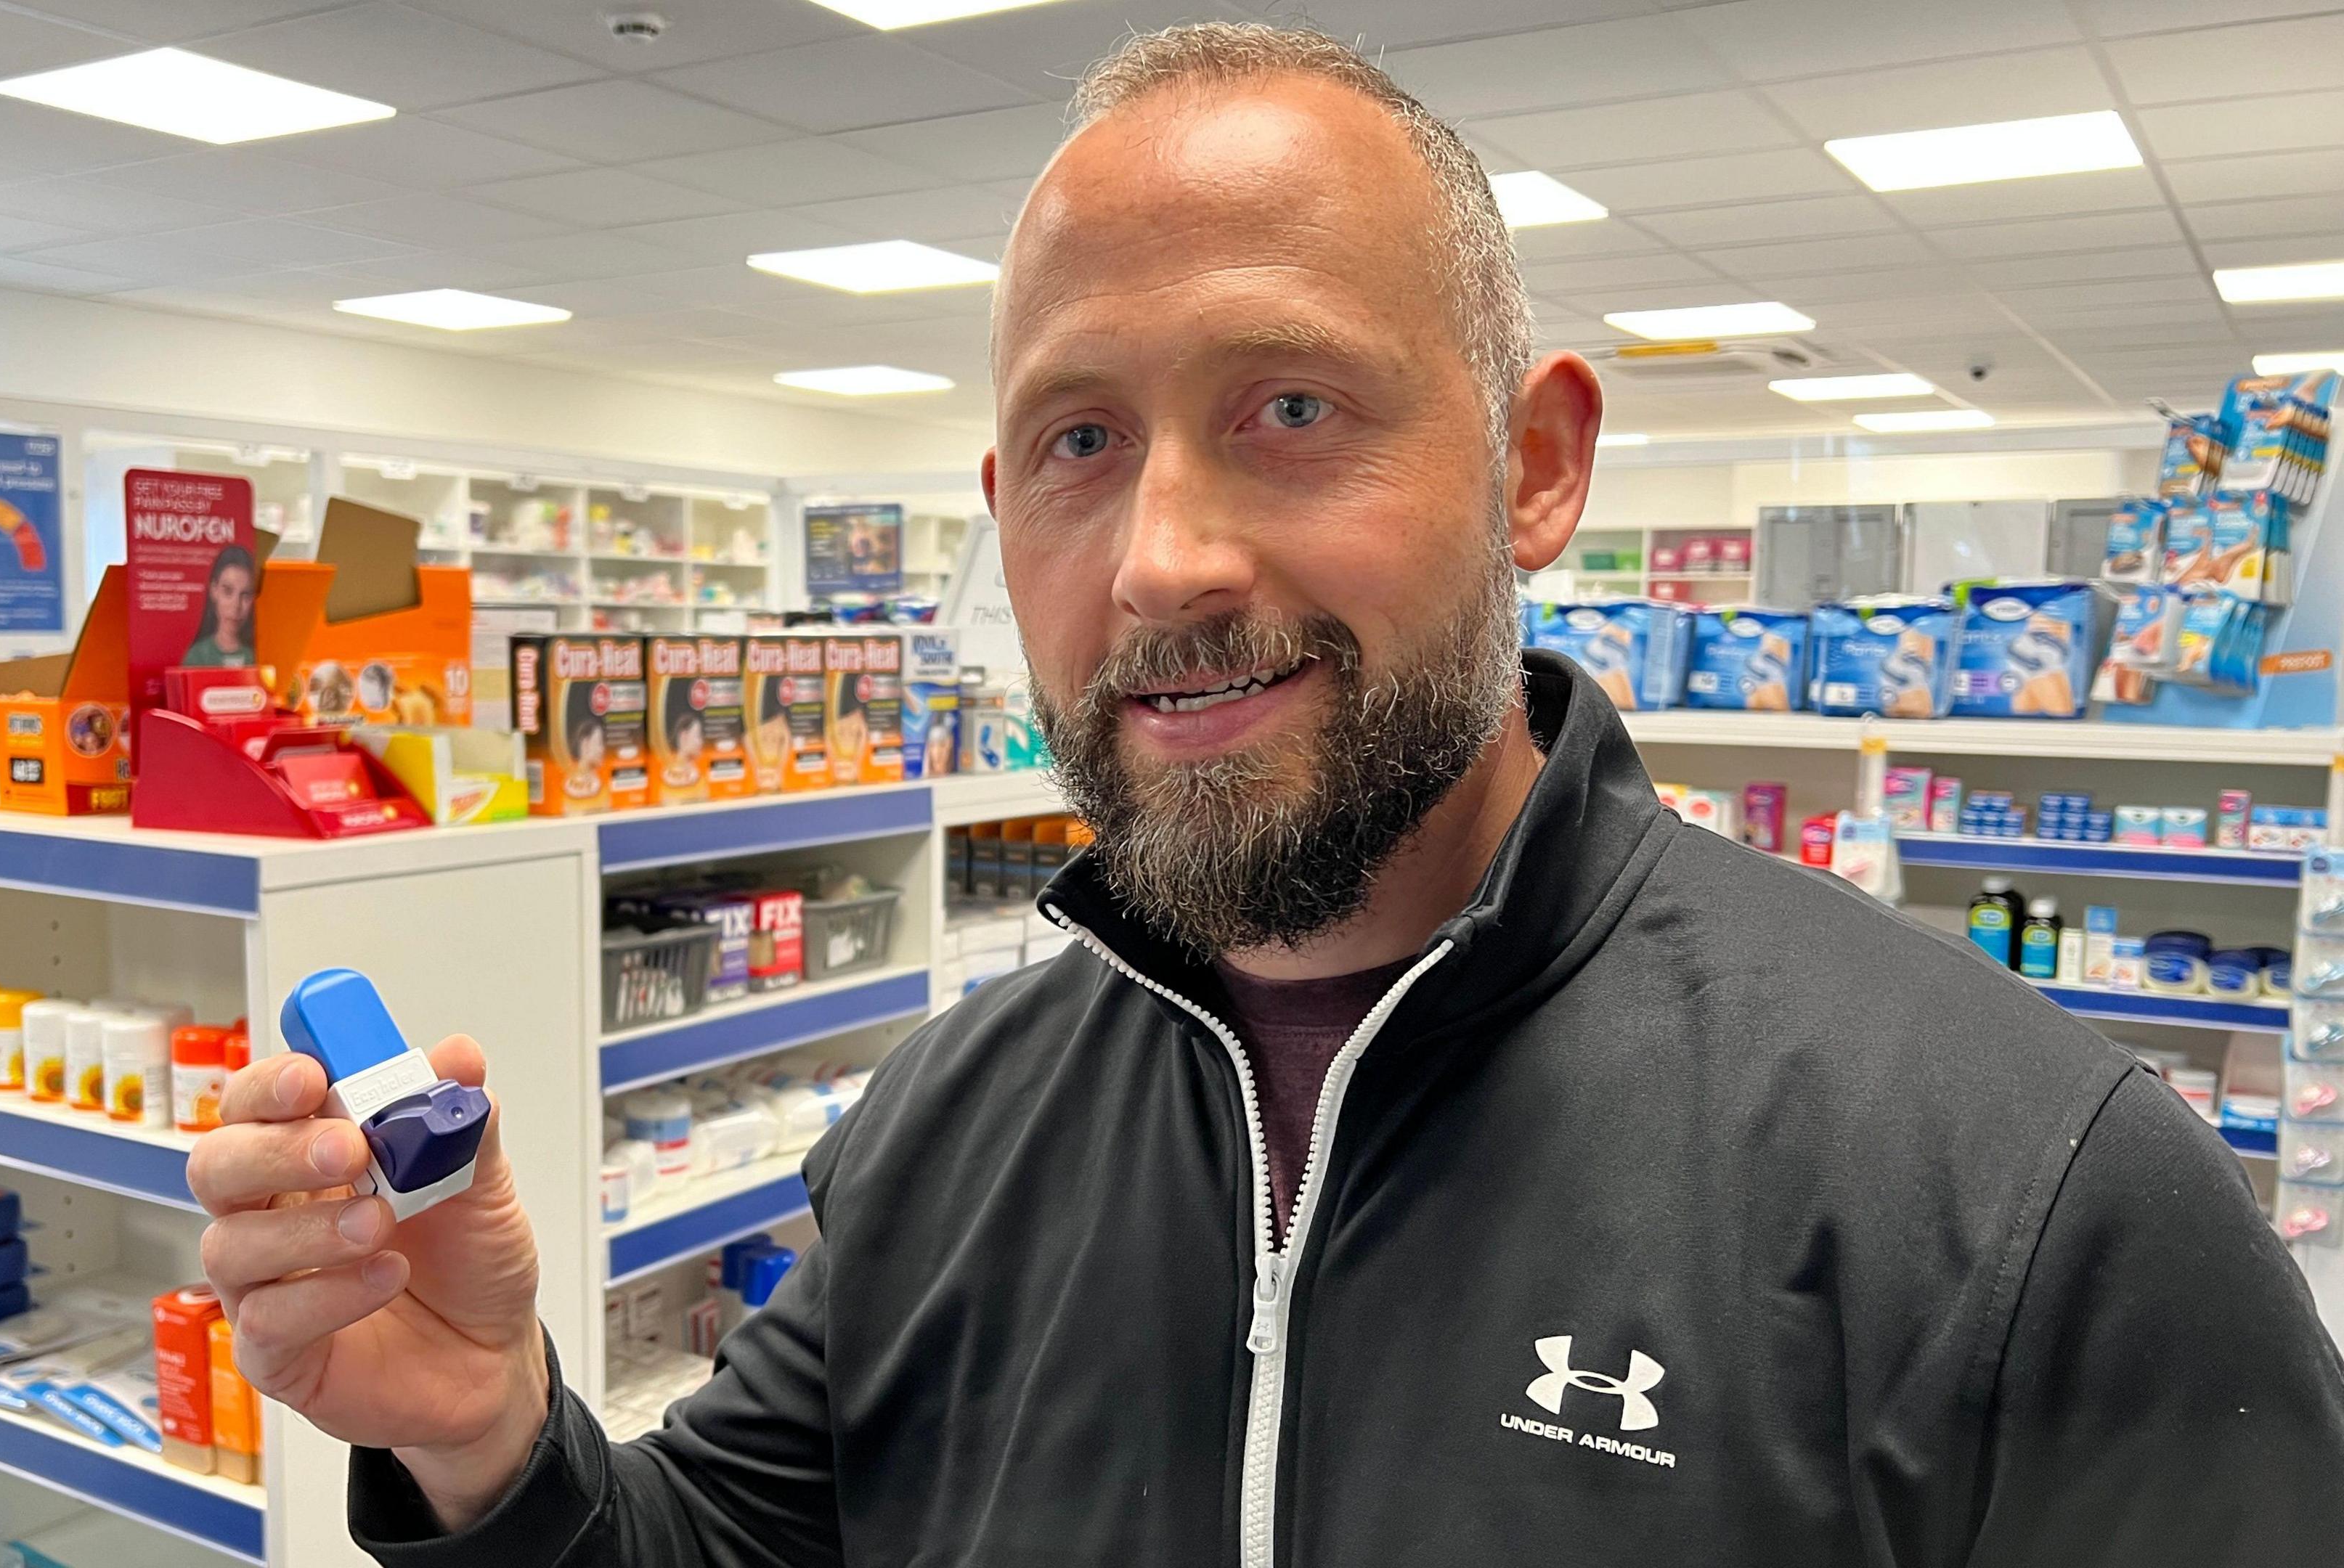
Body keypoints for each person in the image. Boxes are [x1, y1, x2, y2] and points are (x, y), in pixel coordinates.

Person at [190, 23, 2344, 1567]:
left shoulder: (2021, 1206)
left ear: (1534, 462)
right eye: (1076, 445)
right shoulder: (945, 1132)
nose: (1160, 563)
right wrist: (492, 1451)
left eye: (1288, 404)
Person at [182, 544, 257, 668]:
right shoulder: (197, 657)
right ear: (214, 590)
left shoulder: (259, 656)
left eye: (246, 595)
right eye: (228, 592)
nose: (236, 605)